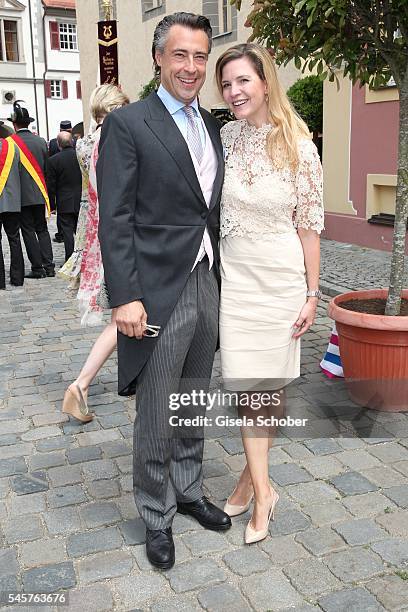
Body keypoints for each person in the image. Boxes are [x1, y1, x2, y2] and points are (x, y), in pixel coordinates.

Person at [97, 12, 230, 570]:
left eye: (201, 57)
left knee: (194, 393)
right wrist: (125, 297)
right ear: (159, 58)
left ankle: (189, 488)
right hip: (155, 288)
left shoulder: (212, 124)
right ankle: (155, 513)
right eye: (181, 56)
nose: (192, 67)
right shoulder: (130, 124)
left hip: (206, 278)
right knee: (157, 404)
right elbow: (116, 218)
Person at [215, 44, 324, 544]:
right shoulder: (224, 139)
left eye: (242, 81)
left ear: (264, 83)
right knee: (246, 390)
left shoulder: (300, 145)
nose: (234, 92)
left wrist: (312, 293)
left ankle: (251, 485)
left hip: (281, 283)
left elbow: (309, 228)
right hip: (237, 285)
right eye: (227, 84)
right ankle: (264, 492)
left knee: (270, 392)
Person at [61, 84, 129, 424]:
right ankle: (81, 385)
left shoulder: (85, 143)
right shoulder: (112, 141)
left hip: (99, 232)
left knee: (128, 316)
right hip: (120, 235)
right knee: (122, 317)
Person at [8, 101, 55, 279]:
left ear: (15, 124)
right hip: (40, 193)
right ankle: (49, 266)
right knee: (42, 229)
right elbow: (47, 169)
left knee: (27, 230)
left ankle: (37, 268)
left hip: (21, 195)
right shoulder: (41, 142)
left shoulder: (10, 143)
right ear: (28, 122)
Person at [46, 132, 82, 262]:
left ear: (58, 144)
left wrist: (52, 206)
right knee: (81, 232)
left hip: (64, 201)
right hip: (81, 200)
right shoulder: (80, 156)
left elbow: (51, 186)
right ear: (72, 142)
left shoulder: (53, 161)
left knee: (67, 233)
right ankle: (82, 258)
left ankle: (70, 259)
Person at [0, 134, 24, 289]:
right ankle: (17, 278)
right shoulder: (13, 147)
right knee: (14, 239)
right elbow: (20, 171)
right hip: (13, 200)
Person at [49, 120, 73, 244]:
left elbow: (51, 183)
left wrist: (52, 205)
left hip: (62, 195)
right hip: (78, 196)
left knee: (66, 230)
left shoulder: (53, 149)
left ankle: (69, 257)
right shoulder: (78, 152)